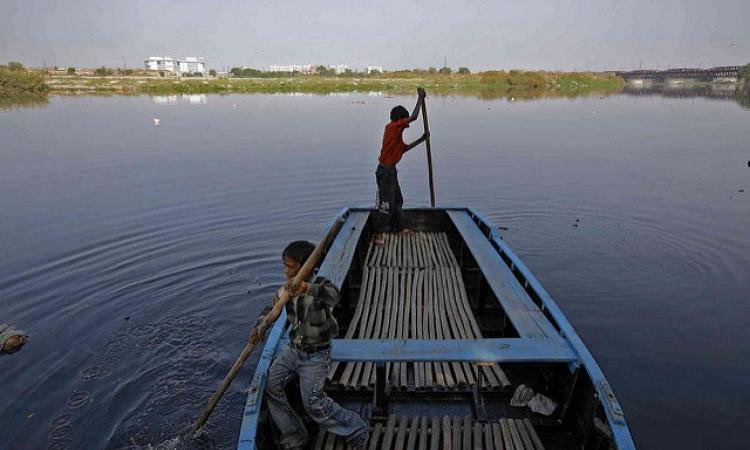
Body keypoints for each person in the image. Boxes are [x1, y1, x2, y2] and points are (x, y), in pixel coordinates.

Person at [250, 241, 368, 450]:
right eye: (284, 265)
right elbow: (270, 311)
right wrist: (260, 327)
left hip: (316, 354)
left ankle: (356, 427)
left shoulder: (320, 285)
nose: (285, 270)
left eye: (290, 266)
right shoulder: (284, 292)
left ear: (304, 266)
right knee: (271, 385)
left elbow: (334, 296)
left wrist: (307, 287)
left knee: (313, 402)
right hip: (294, 350)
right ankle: (295, 434)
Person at [374, 87, 430, 246]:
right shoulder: (391, 128)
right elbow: (413, 117)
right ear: (399, 120)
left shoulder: (397, 136)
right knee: (386, 204)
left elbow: (404, 148)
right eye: (404, 121)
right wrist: (420, 99)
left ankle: (397, 227)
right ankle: (380, 233)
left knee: (398, 200)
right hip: (385, 172)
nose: (407, 125)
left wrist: (422, 139)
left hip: (391, 172)